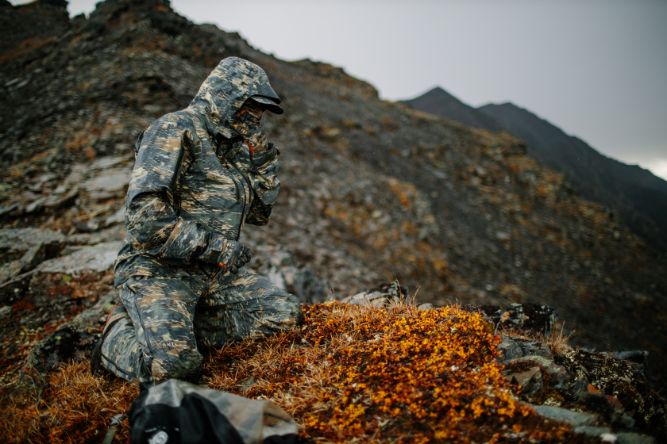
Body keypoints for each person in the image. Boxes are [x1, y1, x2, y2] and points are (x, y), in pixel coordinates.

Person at [92, 57, 302, 383]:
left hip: (211, 276)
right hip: (157, 269)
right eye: (250, 106)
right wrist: (216, 248)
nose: (256, 116)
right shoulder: (175, 129)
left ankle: (178, 325)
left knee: (284, 317)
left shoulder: (233, 146)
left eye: (261, 110)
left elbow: (259, 214)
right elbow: (145, 218)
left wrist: (263, 162)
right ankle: (115, 335)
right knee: (176, 368)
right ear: (225, 95)